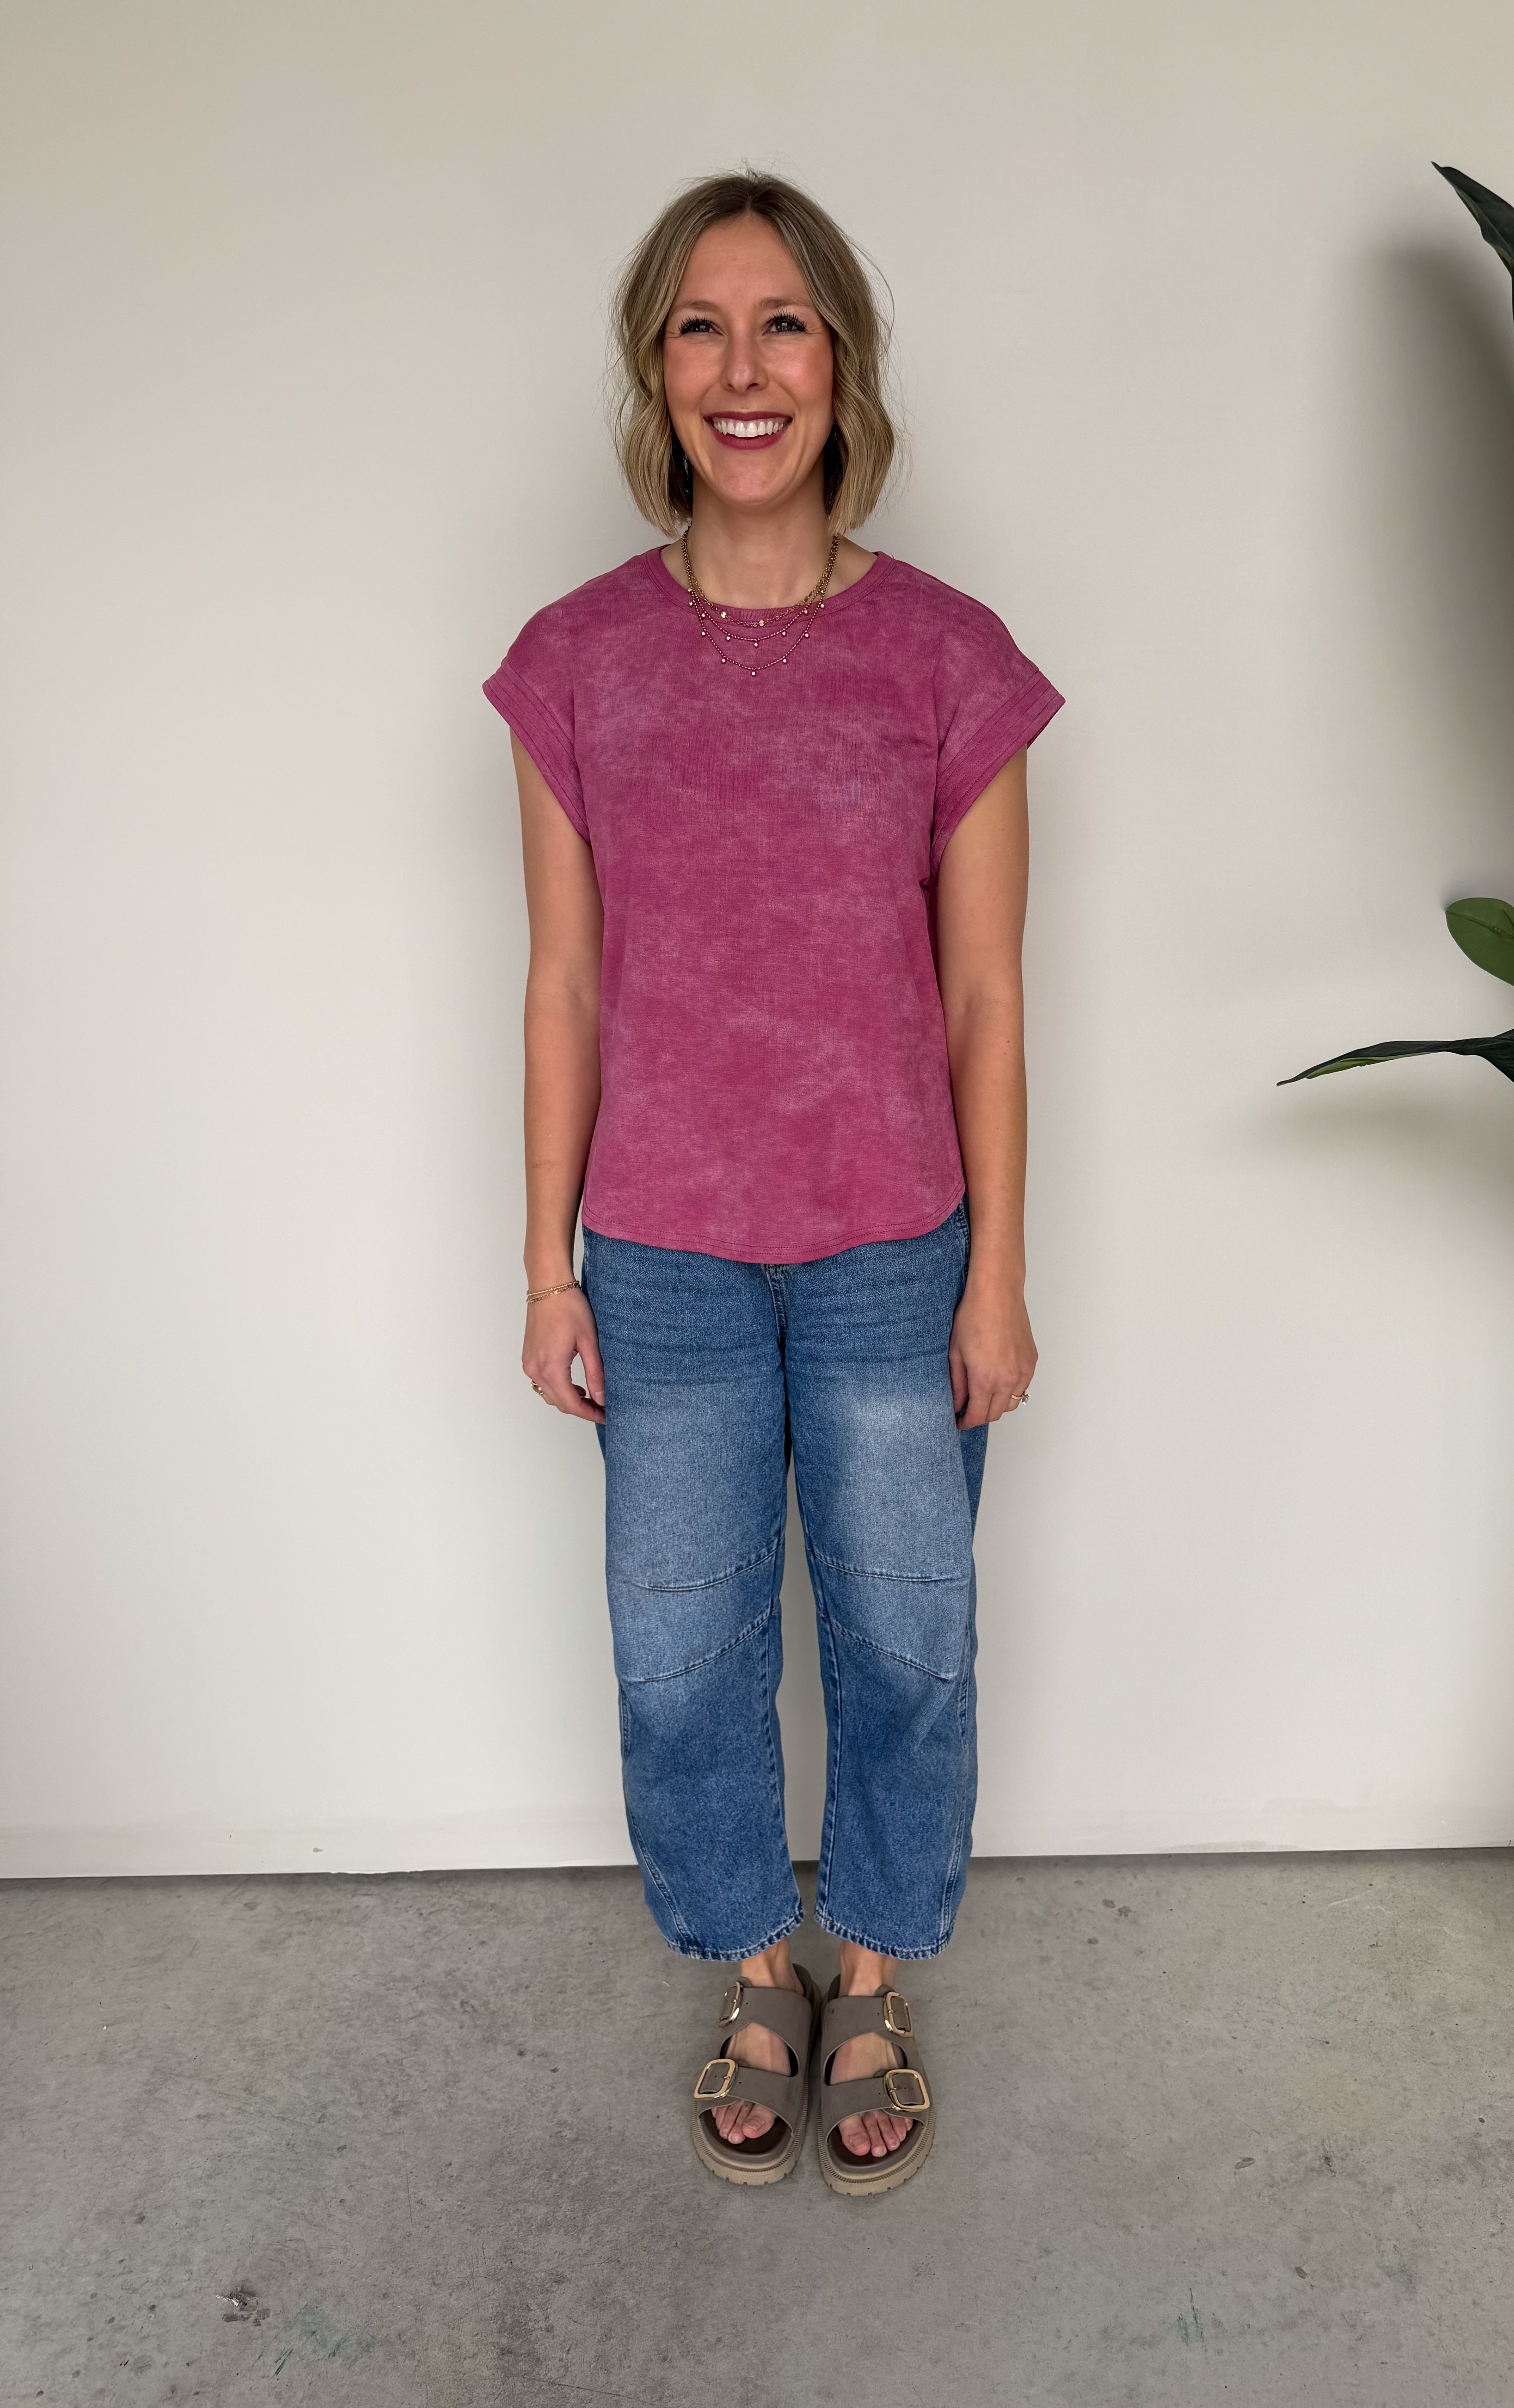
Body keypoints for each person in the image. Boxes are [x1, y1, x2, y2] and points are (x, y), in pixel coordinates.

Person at [484, 171, 1062, 2196]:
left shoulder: (949, 659)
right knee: (681, 1650)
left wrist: (1000, 1277)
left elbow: (984, 993)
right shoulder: (575, 662)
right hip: (660, 1253)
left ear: (843, 366)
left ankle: (873, 1972)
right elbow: (564, 984)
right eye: (704, 326)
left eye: (786, 322)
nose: (747, 369)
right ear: (658, 368)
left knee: (907, 1638)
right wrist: (545, 1267)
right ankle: (754, 1964)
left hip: (900, 1245)